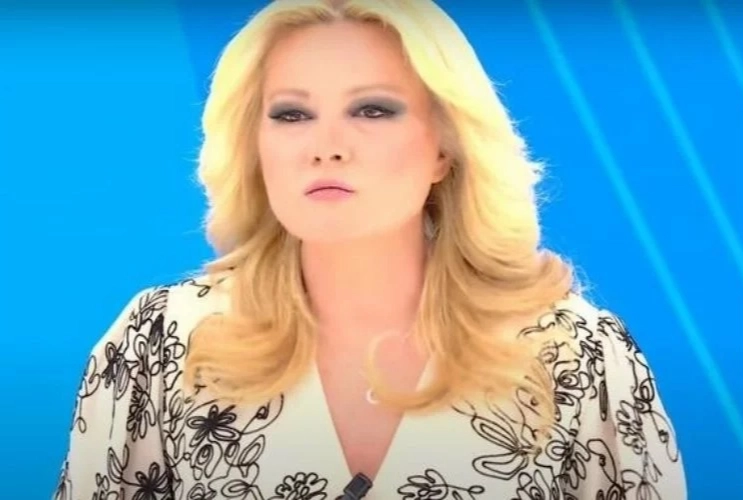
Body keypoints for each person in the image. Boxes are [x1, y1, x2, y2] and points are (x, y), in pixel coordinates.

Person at [53, 0, 687, 499]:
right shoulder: (159, 343)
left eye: (373, 110)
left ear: (444, 149)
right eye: (291, 115)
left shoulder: (578, 356)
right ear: (254, 146)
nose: (326, 146)